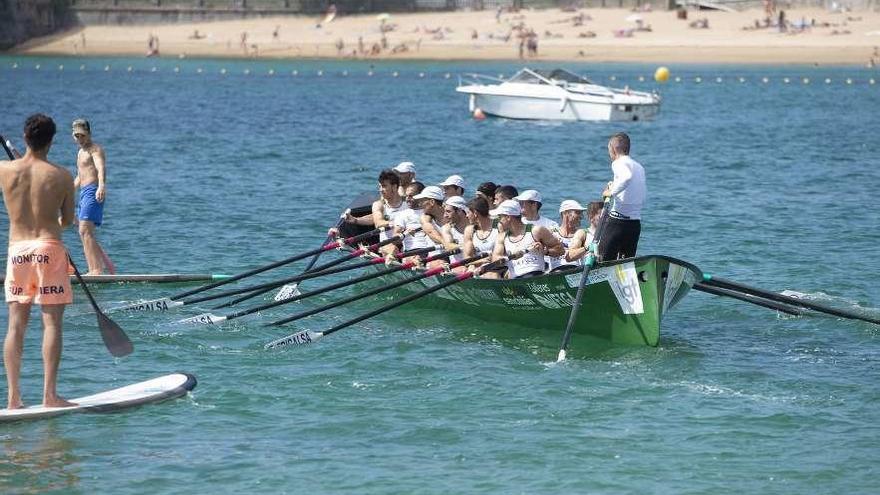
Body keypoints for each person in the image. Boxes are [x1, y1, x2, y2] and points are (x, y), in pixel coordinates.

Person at [1, 114, 76, 409]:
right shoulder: (62, 175)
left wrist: (17, 168)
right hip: (48, 248)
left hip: (17, 250)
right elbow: (67, 220)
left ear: (24, 137)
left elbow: (17, 179)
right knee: (52, 324)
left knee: (15, 326)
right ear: (52, 141)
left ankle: (12, 398)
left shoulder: (5, 170)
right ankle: (49, 396)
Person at [72, 119, 114, 275]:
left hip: (93, 190)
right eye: (77, 136)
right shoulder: (80, 152)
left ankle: (95, 270)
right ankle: (94, 268)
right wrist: (69, 192)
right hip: (83, 193)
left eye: (82, 135)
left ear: (89, 133)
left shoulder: (95, 150)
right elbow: (80, 175)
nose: (80, 139)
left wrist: (102, 186)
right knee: (83, 232)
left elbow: (100, 168)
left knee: (85, 230)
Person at [599, 132, 645, 261]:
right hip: (634, 224)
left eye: (609, 150)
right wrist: (615, 184)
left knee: (603, 261)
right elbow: (636, 189)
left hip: (617, 223)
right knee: (625, 265)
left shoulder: (618, 163)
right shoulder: (639, 167)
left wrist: (610, 192)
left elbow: (626, 177)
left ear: (614, 149)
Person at [490, 200, 562, 278]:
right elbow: (495, 259)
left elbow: (561, 250)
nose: (498, 221)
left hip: (536, 277)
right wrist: (509, 258)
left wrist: (545, 251)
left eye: (500, 217)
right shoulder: (501, 237)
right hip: (516, 281)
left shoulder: (536, 231)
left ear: (508, 217)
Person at [462, 196, 499, 278]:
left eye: (468, 213)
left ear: (475, 213)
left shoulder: (498, 227)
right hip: (478, 267)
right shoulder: (470, 230)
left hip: (497, 267)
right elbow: (467, 258)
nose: (466, 216)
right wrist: (481, 261)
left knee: (493, 275)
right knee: (470, 268)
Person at [547, 200, 588, 272]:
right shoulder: (551, 233)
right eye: (578, 213)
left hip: (575, 270)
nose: (581, 217)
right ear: (566, 213)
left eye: (581, 214)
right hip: (556, 271)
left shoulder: (582, 234)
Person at [440, 196, 469, 267]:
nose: (445, 215)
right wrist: (467, 246)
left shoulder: (475, 227)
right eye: (445, 211)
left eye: (448, 211)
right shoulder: (447, 228)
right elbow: (448, 246)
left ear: (459, 211)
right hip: (457, 268)